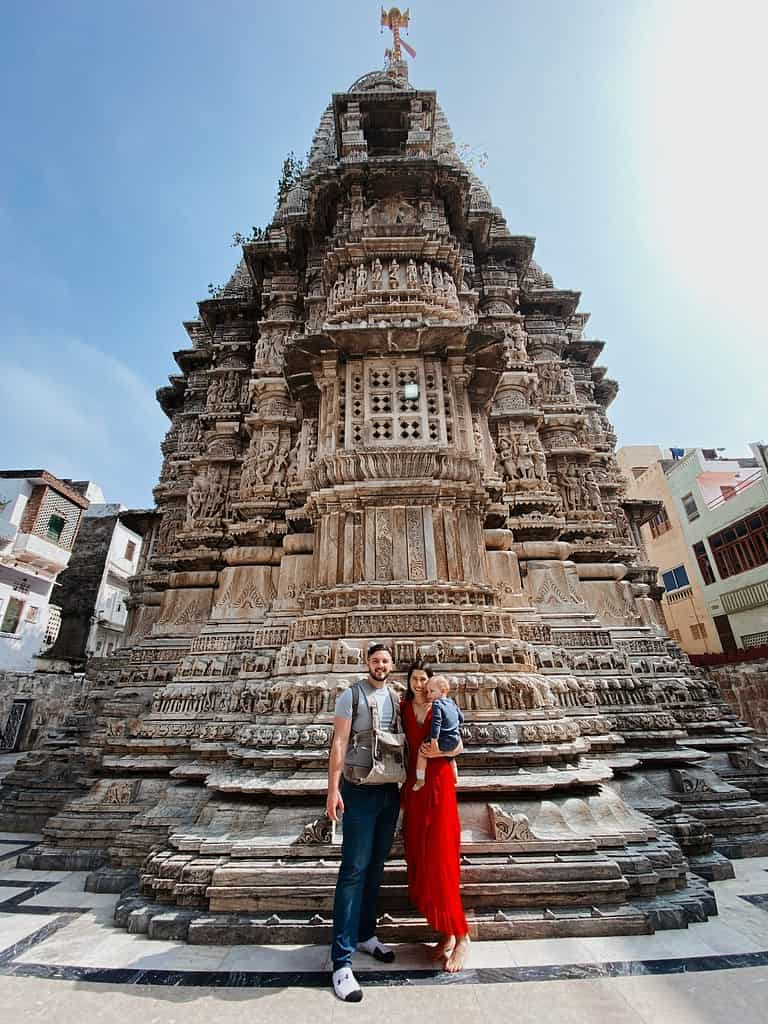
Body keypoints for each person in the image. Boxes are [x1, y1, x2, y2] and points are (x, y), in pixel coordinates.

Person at [326, 644, 401, 1003]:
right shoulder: (350, 696)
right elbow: (339, 742)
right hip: (357, 790)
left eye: (385, 661)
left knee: (374, 867)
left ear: (391, 665)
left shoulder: (398, 698)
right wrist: (331, 790)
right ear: (367, 664)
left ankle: (366, 935)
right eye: (375, 661)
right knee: (353, 869)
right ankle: (341, 962)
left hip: (390, 791)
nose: (380, 666)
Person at [401, 661, 471, 972]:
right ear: (410, 682)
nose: (420, 685)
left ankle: (462, 936)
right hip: (413, 787)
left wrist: (439, 754)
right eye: (415, 679)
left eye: (424, 680)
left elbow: (457, 743)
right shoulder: (403, 707)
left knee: (442, 859)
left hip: (438, 782)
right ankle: (444, 933)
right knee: (420, 857)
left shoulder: (441, 706)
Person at [412, 675, 463, 791]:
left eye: (431, 691)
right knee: (452, 758)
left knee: (422, 752)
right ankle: (455, 777)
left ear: (443, 691)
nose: (429, 694)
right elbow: (461, 717)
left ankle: (420, 780)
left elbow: (436, 723)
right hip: (454, 739)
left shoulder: (437, 704)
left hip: (441, 739)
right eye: (427, 691)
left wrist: (434, 740)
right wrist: (457, 731)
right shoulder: (452, 702)